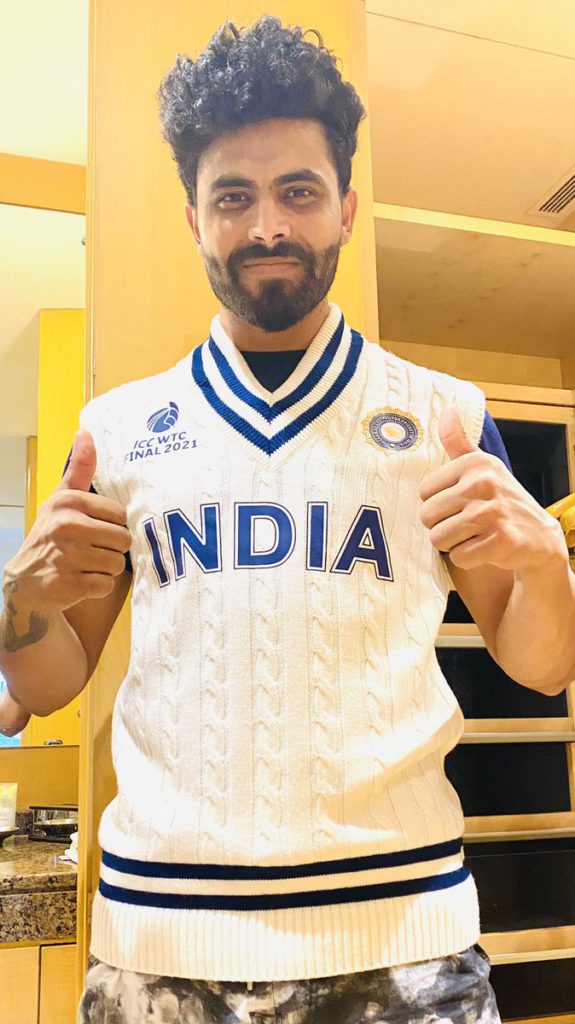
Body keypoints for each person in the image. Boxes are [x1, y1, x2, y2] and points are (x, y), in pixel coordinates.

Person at [1, 15, 574, 1024]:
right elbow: (49, 680)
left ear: (344, 207)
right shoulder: (116, 431)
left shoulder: (442, 417)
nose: (266, 225)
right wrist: (21, 601)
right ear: (194, 218)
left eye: (298, 191)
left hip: (405, 945)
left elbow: (539, 664)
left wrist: (545, 565)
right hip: (158, 952)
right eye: (233, 196)